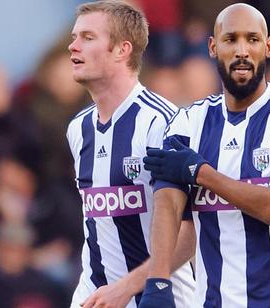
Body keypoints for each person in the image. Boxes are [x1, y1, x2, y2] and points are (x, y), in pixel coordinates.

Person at [141, 3, 270, 307]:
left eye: (252, 39)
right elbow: (169, 203)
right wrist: (158, 280)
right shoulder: (188, 122)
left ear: (268, 47)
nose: (241, 50)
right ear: (213, 47)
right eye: (230, 40)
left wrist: (201, 174)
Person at [66, 1, 195, 307]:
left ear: (122, 50)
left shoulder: (164, 122)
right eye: (74, 37)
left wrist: (125, 288)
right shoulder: (77, 128)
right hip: (94, 294)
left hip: (161, 298)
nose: (73, 47)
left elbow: (191, 232)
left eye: (87, 37)